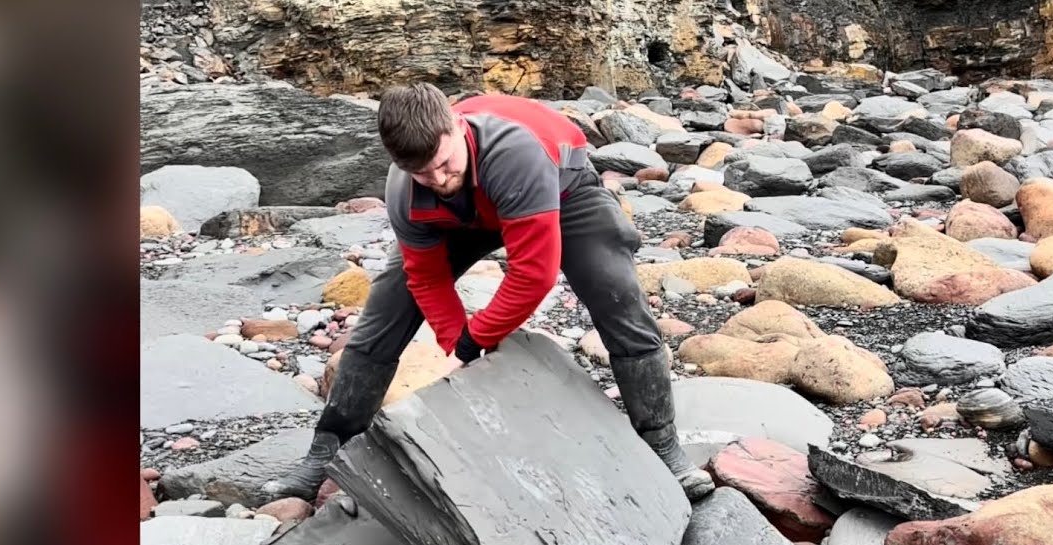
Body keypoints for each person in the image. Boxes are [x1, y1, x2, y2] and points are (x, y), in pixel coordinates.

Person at [262, 82, 715, 502]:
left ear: (457, 127)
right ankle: (326, 454)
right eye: (423, 173)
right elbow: (425, 278)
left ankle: (662, 445)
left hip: (562, 189)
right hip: (464, 216)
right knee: (384, 313)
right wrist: (458, 346)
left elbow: (532, 274)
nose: (438, 179)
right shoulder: (408, 187)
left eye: (444, 164)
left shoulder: (512, 152)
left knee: (616, 295)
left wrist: (474, 338)